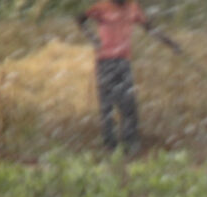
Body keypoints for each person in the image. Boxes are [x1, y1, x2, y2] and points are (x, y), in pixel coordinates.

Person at [77, 0, 180, 154]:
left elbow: (150, 28)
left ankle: (130, 144)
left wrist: (171, 43)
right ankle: (110, 145)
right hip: (106, 62)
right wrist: (93, 38)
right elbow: (80, 19)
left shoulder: (133, 7)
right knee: (107, 105)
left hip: (124, 62)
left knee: (129, 104)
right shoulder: (102, 6)